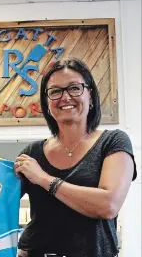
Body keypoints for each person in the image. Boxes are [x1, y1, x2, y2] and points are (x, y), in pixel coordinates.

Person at [14, 58, 137, 257]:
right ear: (46, 102)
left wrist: (44, 179)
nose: (65, 97)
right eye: (55, 91)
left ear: (91, 95)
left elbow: (108, 205)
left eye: (74, 88)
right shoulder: (32, 152)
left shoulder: (113, 141)